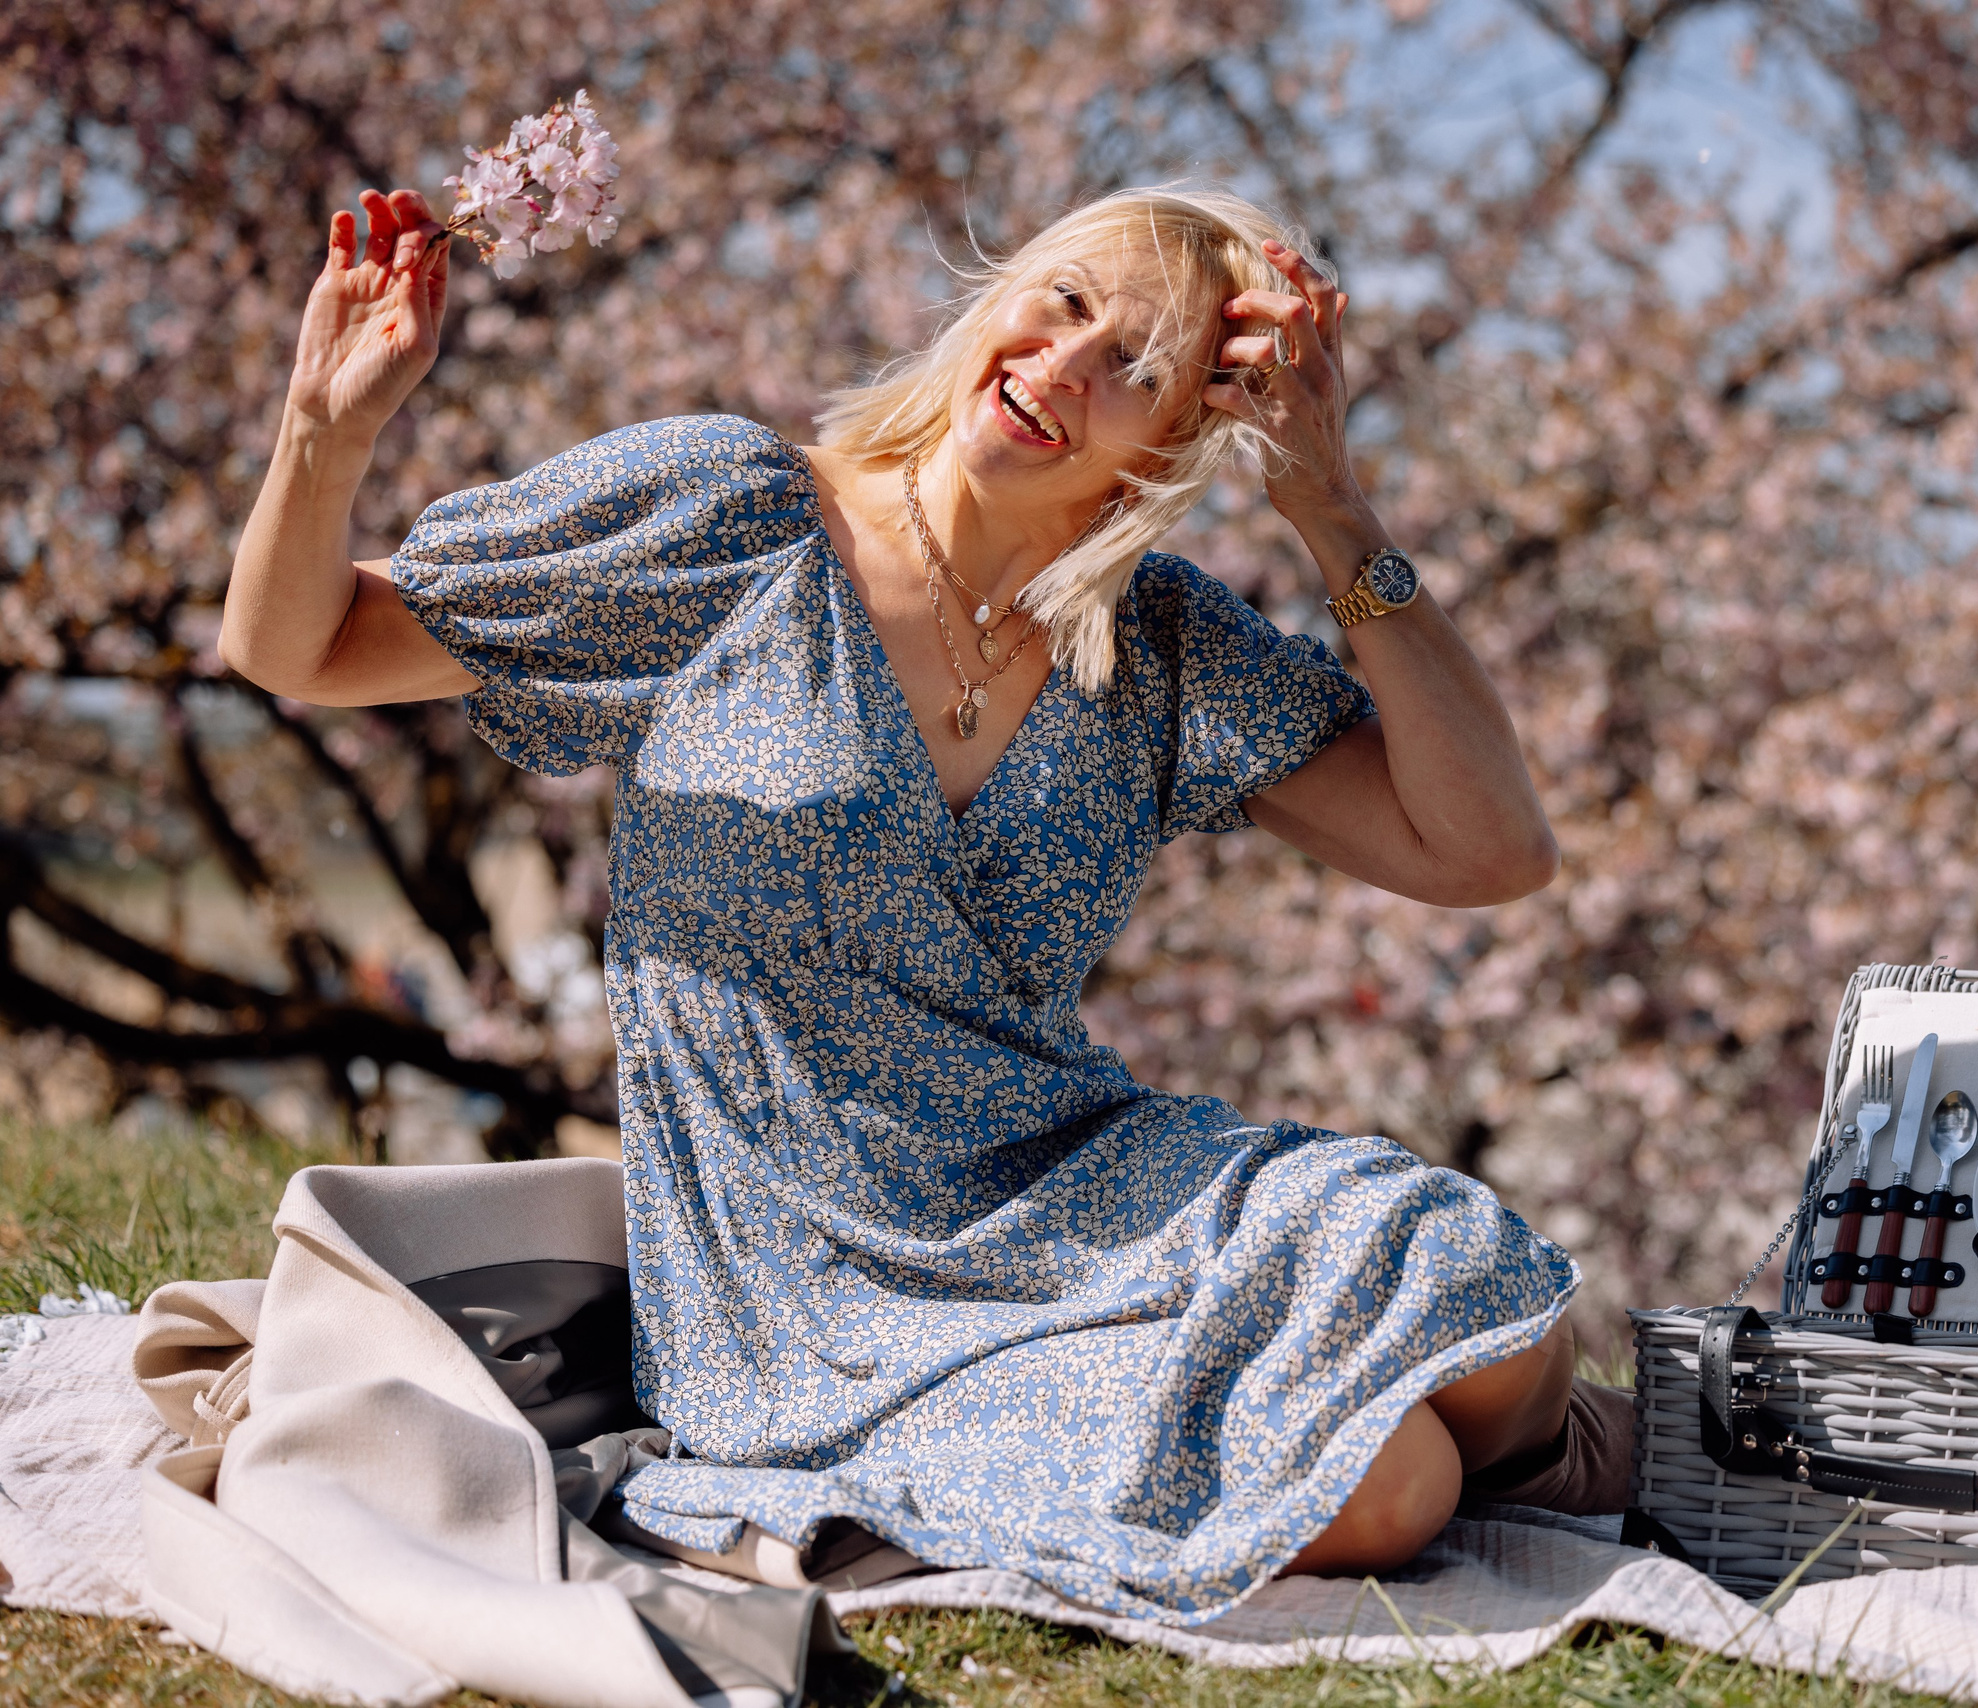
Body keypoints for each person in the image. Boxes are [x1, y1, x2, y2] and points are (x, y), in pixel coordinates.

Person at [220, 180, 1633, 1622]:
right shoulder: (730, 521)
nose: (1065, 369)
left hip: (1086, 1185)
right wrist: (323, 430)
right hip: (805, 1281)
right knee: (1389, 1488)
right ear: (1002, 290)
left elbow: (1488, 852)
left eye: (1139, 369)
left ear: (1185, 433)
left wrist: (1332, 509)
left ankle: (1541, 1449)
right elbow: (305, 648)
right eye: (1067, 303)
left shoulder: (1156, 646)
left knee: (1506, 1326)